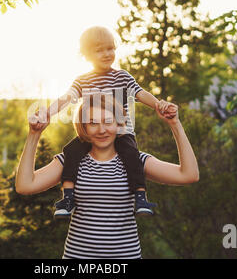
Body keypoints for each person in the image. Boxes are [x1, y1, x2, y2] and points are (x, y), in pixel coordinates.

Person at [17, 96, 199, 259]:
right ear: (84, 127)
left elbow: (188, 175)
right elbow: (25, 185)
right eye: (93, 123)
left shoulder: (136, 161)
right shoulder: (70, 161)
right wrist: (34, 134)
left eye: (108, 121)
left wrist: (175, 124)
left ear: (119, 124)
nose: (102, 129)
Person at [41, 26, 177, 218]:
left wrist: (158, 105)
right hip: (91, 135)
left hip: (121, 133)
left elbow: (141, 93)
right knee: (70, 152)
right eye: (99, 50)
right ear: (86, 55)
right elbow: (66, 98)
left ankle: (140, 197)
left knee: (132, 156)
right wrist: (48, 112)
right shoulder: (82, 80)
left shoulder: (122, 77)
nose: (107, 54)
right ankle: (68, 198)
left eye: (110, 48)